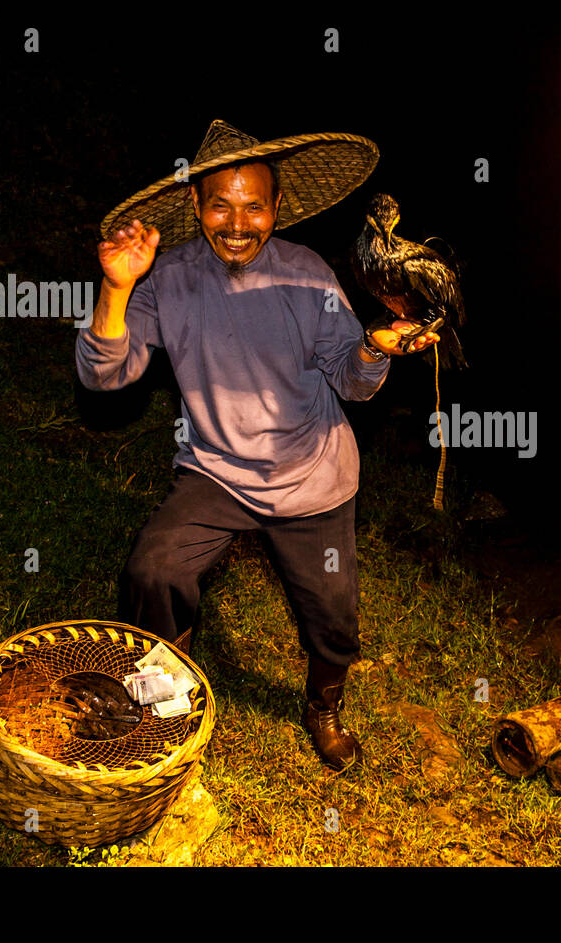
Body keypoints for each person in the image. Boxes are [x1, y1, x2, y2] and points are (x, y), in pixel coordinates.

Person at [75, 120, 439, 769]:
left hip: (313, 473)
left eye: (254, 205)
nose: (236, 223)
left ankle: (323, 705)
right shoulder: (170, 278)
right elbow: (104, 376)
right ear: (196, 205)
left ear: (276, 208)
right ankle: (161, 700)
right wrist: (118, 286)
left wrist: (373, 347)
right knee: (151, 570)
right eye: (220, 203)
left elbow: (353, 384)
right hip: (216, 470)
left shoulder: (308, 275)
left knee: (332, 613)